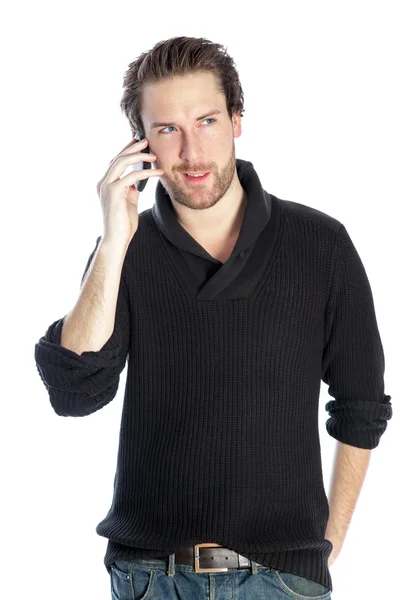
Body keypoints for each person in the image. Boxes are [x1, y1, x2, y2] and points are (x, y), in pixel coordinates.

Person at [34, 36, 392, 600]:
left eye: (206, 121)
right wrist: (114, 237)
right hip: (150, 576)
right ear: (141, 143)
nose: (192, 153)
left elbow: (362, 404)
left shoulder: (320, 244)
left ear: (236, 121)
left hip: (282, 579)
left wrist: (326, 545)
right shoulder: (127, 251)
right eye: (167, 130)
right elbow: (75, 392)